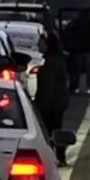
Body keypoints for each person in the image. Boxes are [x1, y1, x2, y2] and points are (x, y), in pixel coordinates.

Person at [34, 33, 70, 165]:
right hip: (56, 102)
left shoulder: (51, 63)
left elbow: (48, 86)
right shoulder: (58, 60)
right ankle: (59, 157)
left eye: (41, 43)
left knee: (48, 131)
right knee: (55, 128)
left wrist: (39, 104)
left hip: (50, 103)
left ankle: (53, 157)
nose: (39, 46)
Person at [65, 6, 90, 94]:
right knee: (88, 70)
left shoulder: (75, 23)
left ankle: (75, 87)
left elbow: (68, 32)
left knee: (77, 70)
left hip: (79, 49)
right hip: (87, 49)